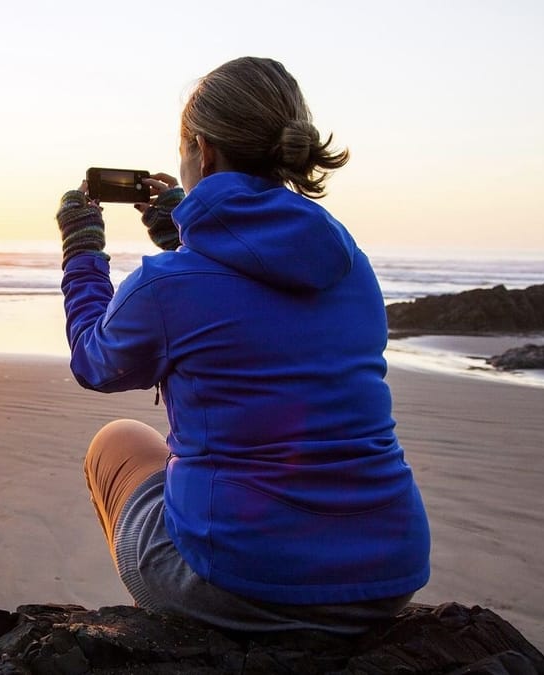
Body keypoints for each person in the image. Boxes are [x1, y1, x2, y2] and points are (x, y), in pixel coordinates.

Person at [54, 56, 431, 634]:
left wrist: (82, 251)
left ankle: (173, 629)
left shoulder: (166, 286)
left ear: (202, 151)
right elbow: (256, 294)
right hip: (388, 574)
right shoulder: (349, 264)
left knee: (120, 442)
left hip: (241, 581)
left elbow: (94, 361)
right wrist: (183, 229)